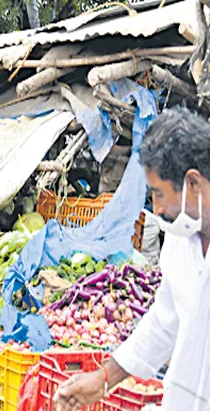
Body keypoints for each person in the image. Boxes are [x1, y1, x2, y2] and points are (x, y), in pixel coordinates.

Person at [54, 107, 210, 411]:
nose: (159, 210)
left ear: (192, 183)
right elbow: (165, 321)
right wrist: (104, 379)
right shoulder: (180, 239)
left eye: (160, 195)